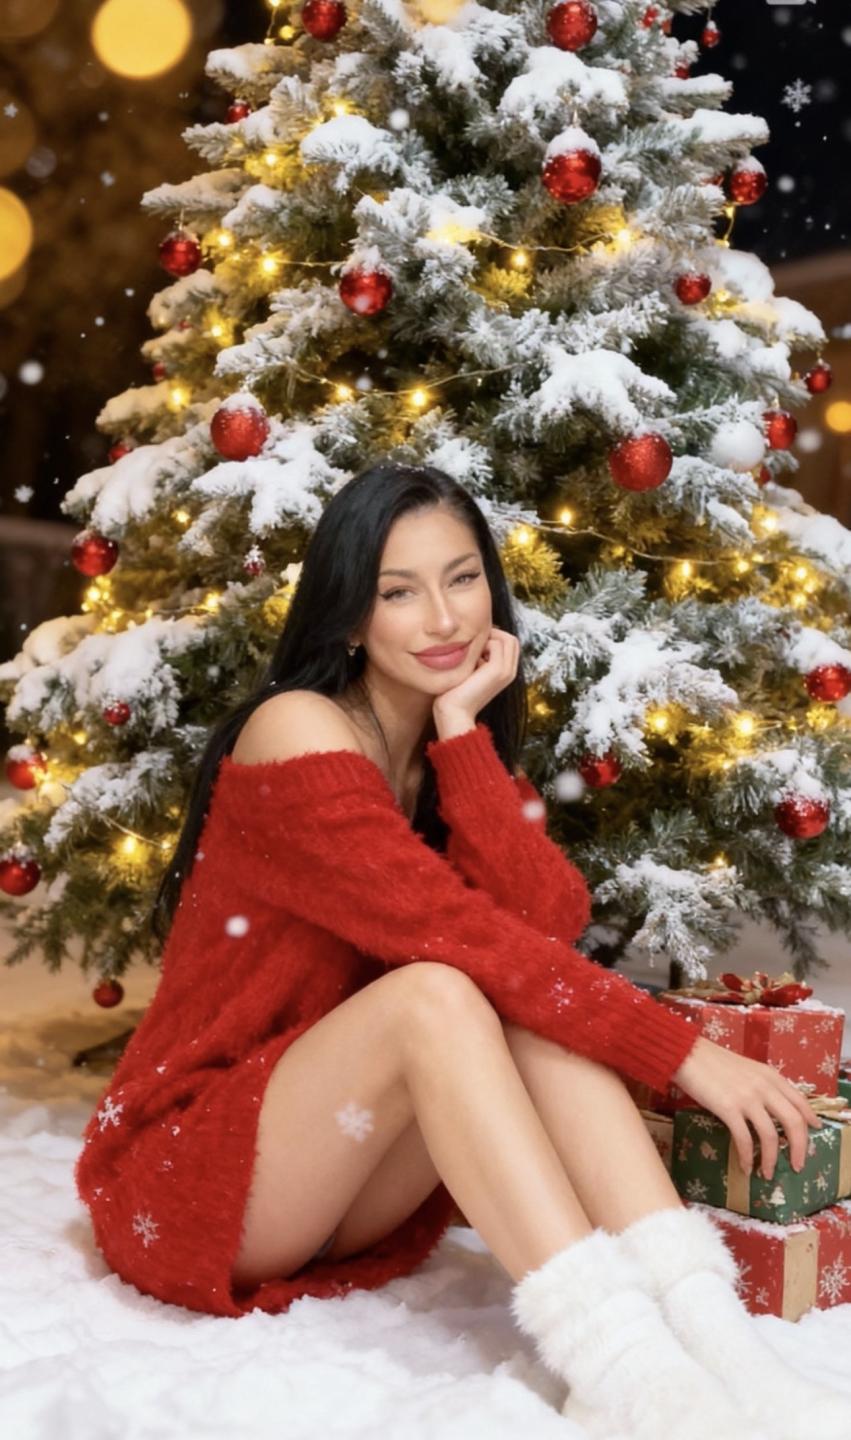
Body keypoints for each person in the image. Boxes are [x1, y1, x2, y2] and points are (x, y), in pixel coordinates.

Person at [75, 462, 849, 1439]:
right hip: (196, 1173)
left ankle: (716, 1340)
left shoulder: (438, 749)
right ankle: (620, 1367)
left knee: (512, 993)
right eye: (397, 592)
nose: (442, 619)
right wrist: (683, 1055)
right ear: (348, 616)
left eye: (461, 578)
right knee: (439, 990)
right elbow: (464, 940)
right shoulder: (296, 730)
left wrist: (458, 733)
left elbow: (542, 921)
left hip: (336, 1166)